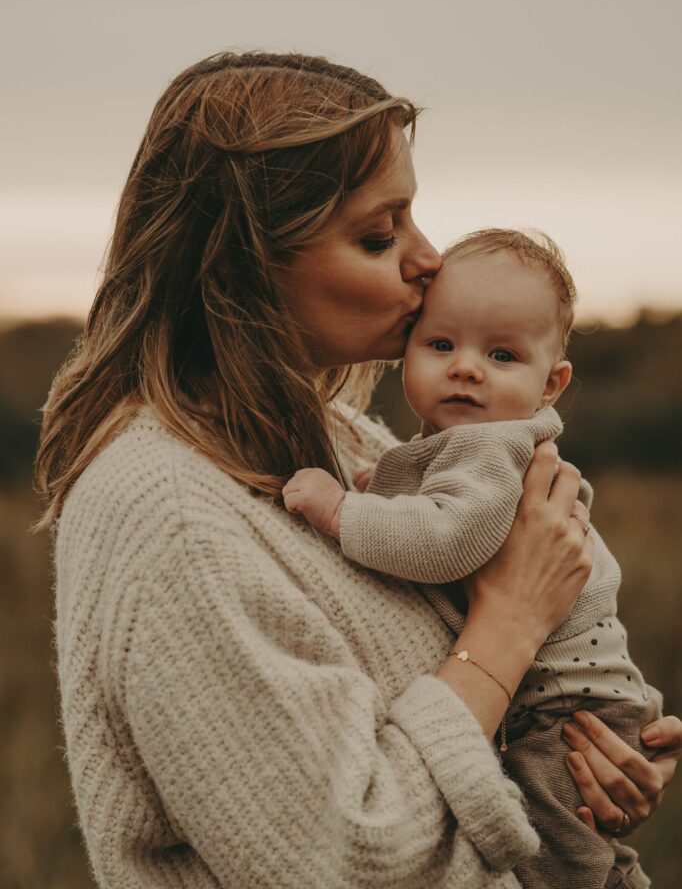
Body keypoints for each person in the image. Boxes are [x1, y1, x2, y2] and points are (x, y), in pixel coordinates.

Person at [35, 51, 681, 889]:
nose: (427, 258)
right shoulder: (168, 514)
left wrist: (580, 767)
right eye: (380, 234)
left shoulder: (342, 442)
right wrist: (514, 621)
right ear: (245, 264)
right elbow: (345, 857)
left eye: (414, 219)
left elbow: (462, 740)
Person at [282, 228, 663, 888]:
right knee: (574, 835)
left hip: (563, 704)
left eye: (502, 354)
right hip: (576, 691)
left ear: (552, 384)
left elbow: (446, 540)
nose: (465, 367)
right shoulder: (461, 446)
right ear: (407, 353)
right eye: (440, 345)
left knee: (553, 850)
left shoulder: (491, 447)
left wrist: (342, 511)